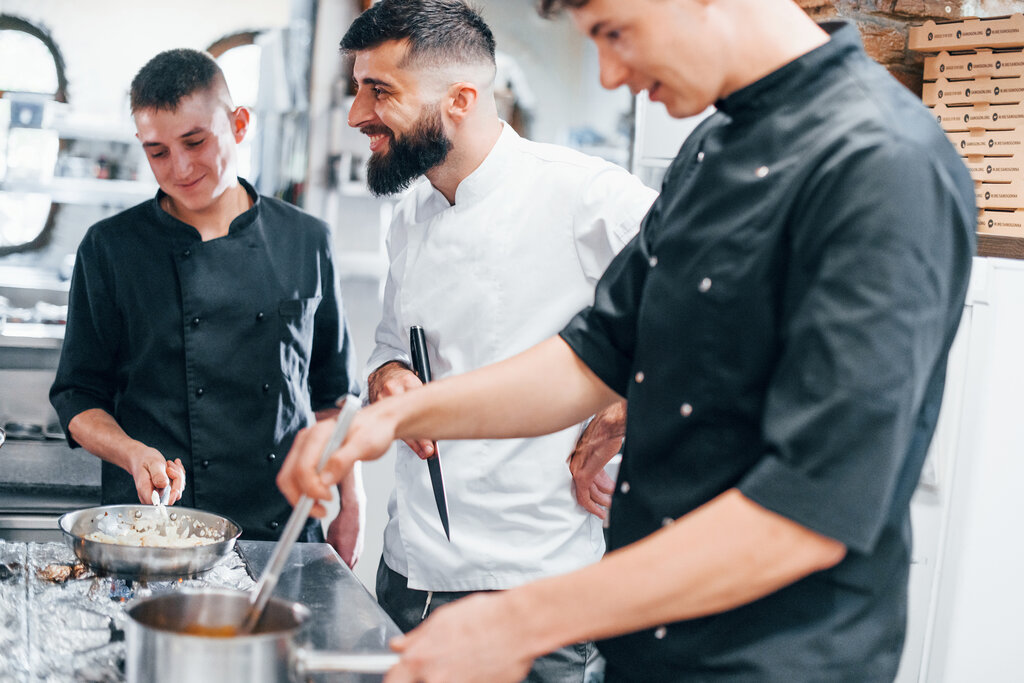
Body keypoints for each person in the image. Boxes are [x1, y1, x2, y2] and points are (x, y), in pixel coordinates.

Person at [281, 0, 978, 680]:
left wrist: (519, 619)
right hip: (651, 646)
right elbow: (589, 356)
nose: (610, 76)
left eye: (616, 33)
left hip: (775, 655)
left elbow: (809, 508)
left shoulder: (881, 160)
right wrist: (390, 416)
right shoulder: (712, 150)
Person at [333, 0, 656, 680]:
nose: (358, 114)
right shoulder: (412, 211)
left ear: (461, 98)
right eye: (358, 89)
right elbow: (389, 345)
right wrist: (389, 378)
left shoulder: (588, 196)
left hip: (538, 589)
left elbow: (708, 310)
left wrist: (630, 406)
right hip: (409, 570)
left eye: (379, 91)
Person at [50, 48, 364, 560]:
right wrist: (131, 453)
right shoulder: (109, 247)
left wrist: (352, 498)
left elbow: (335, 397)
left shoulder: (306, 239)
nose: (180, 167)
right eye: (157, 152)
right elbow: (77, 397)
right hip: (155, 529)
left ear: (239, 124)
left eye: (195, 141)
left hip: (282, 526)